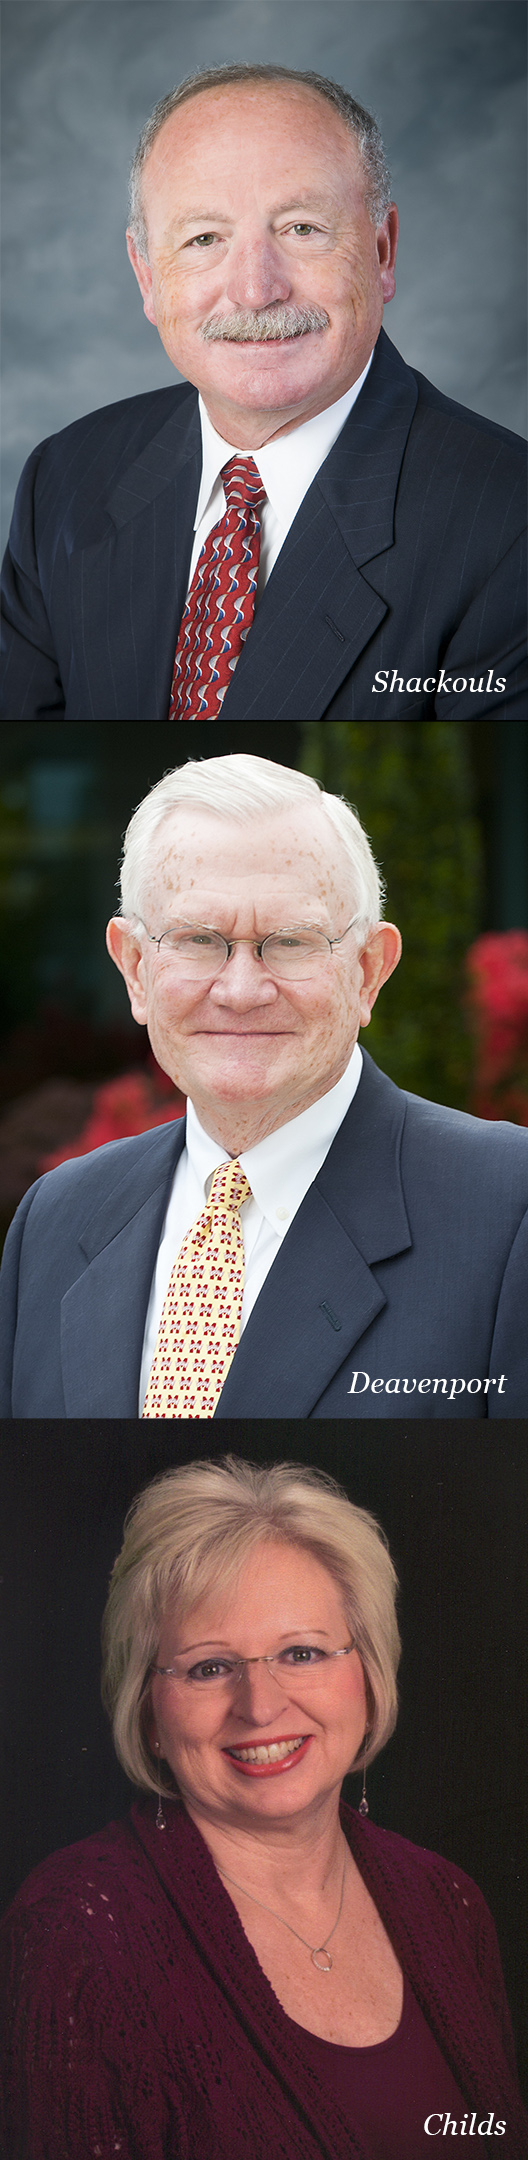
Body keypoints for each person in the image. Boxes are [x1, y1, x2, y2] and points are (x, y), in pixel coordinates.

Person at [1, 1455, 525, 2159]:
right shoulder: (74, 1935)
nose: (261, 1705)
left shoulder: (448, 1902)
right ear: (150, 1713)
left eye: (302, 1653)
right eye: (210, 1667)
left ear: (367, 1674)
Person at [1, 751, 528, 1420]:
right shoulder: (56, 1218)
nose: (242, 991)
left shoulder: (509, 1212)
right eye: (198, 939)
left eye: (289, 942)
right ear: (135, 968)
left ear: (368, 970)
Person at [0, 60, 526, 723]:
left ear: (383, 251)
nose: (255, 288)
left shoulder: (509, 526)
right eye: (204, 239)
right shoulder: (65, 482)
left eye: (301, 228)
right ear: (146, 277)